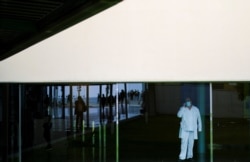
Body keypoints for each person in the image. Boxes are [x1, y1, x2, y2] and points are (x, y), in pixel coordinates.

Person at [177, 97, 202, 162]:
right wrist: (182, 107)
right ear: (185, 102)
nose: (188, 102)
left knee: (191, 144)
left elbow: (199, 119)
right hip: (185, 129)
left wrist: (199, 128)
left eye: (189, 101)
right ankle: (182, 157)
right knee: (184, 143)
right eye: (186, 101)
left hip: (193, 129)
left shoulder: (196, 109)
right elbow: (179, 115)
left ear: (191, 101)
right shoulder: (183, 109)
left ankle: (190, 156)